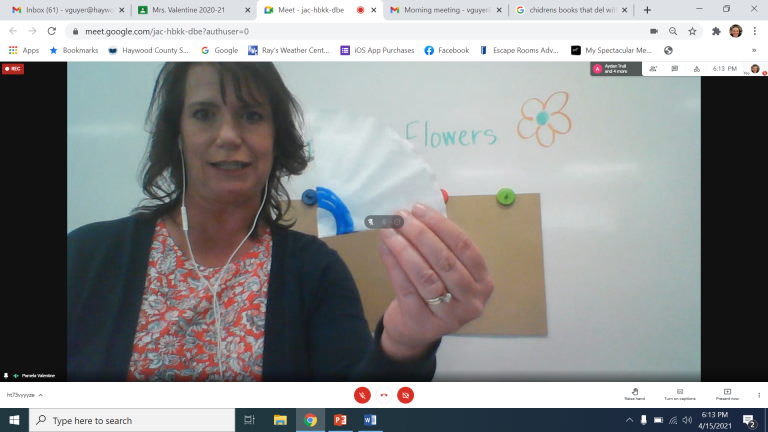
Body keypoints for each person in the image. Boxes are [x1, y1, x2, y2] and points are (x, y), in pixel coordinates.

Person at [67, 62, 494, 381]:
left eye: (252, 115)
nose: (228, 135)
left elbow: (352, 414)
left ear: (276, 140)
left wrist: (404, 345)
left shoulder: (316, 271)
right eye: (204, 113)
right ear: (176, 134)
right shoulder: (87, 256)